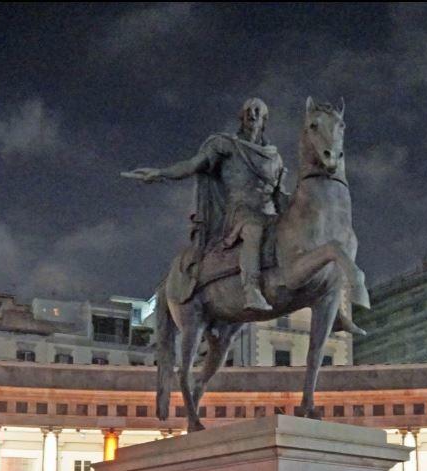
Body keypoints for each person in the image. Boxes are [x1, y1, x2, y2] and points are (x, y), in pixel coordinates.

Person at [123, 98, 362, 333]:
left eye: (258, 111)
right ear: (242, 117)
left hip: (269, 213)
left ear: (265, 119)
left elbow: (279, 193)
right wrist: (161, 173)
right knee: (253, 230)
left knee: (307, 239)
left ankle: (329, 301)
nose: (253, 114)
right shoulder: (225, 146)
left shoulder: (273, 157)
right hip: (239, 212)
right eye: (249, 110)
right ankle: (251, 289)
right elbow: (193, 164)